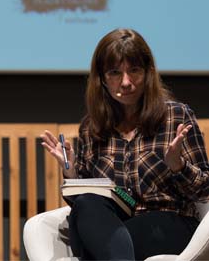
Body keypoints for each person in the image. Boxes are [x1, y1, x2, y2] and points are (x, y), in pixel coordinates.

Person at [41, 28, 209, 260]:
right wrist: (70, 172)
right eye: (115, 73)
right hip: (112, 224)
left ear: (148, 73)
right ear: (101, 79)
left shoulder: (176, 116)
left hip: (168, 221)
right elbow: (85, 203)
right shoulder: (92, 127)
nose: (126, 82)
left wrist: (178, 166)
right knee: (88, 205)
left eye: (134, 71)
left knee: (101, 244)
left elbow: (205, 191)